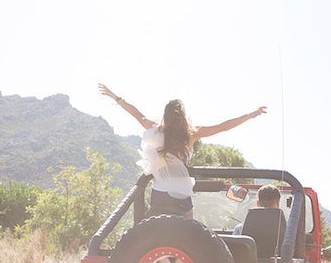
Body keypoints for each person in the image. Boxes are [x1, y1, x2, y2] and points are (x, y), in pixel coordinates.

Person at [98, 83, 267, 219]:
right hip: (182, 193)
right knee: (188, 236)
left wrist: (116, 97)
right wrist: (251, 115)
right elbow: (223, 127)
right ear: (183, 116)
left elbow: (137, 114)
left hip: (160, 192)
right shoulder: (192, 134)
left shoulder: (157, 130)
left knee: (153, 233)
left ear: (165, 115)